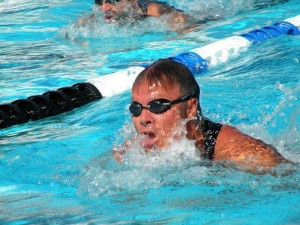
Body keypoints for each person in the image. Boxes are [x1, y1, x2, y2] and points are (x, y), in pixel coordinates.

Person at [114, 58, 290, 174]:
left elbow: (289, 176)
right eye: (136, 108)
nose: (144, 118)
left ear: (190, 108)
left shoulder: (237, 150)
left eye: (157, 106)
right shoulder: (129, 153)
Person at [78, 0, 203, 33]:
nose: (104, 8)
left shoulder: (151, 9)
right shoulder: (99, 14)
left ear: (132, 1)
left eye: (112, 1)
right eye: (100, 1)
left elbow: (187, 24)